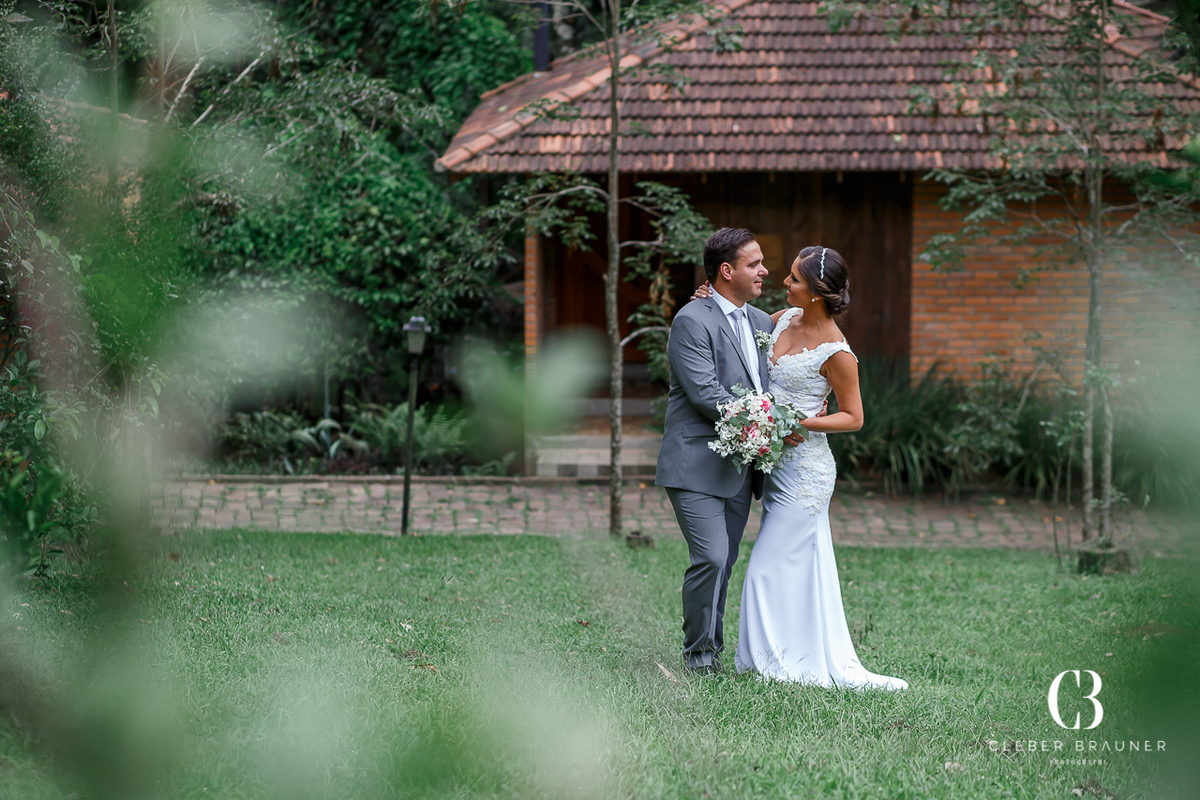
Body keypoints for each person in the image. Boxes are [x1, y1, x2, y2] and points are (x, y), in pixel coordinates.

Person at [692, 246, 908, 689]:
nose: (783, 283)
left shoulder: (837, 353)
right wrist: (708, 305)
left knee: (767, 567)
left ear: (815, 292)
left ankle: (773, 665)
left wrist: (794, 421)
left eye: (793, 279)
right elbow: (738, 335)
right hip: (774, 465)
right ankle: (790, 654)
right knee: (798, 565)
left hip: (806, 471)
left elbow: (853, 417)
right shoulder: (783, 319)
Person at [655, 228, 801, 675]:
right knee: (712, 557)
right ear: (726, 270)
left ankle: (711, 649)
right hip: (695, 463)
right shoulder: (691, 321)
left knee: (726, 562)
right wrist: (777, 423)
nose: (765, 271)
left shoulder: (761, 322)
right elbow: (706, 394)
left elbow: (798, 345)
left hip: (742, 464)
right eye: (755, 263)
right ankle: (698, 656)